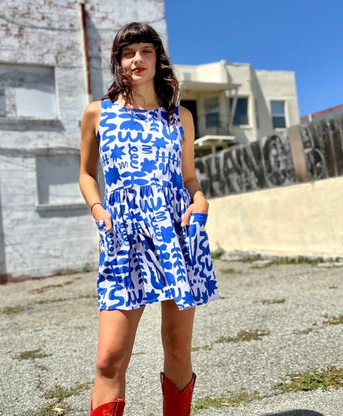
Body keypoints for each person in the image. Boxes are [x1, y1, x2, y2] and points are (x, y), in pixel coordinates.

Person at [79, 22, 220, 416]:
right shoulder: (97, 114)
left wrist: (200, 199)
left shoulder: (181, 117)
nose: (137, 59)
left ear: (158, 59)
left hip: (176, 232)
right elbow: (87, 175)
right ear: (118, 62)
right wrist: (98, 209)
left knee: (177, 349)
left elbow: (189, 175)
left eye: (145, 50)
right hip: (124, 235)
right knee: (109, 358)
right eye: (127, 52)